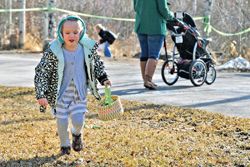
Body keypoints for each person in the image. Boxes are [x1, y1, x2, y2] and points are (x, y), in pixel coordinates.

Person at [34, 15, 111, 155]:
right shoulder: (54, 51)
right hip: (60, 94)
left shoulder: (87, 49)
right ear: (61, 33)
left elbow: (97, 65)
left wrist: (103, 78)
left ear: (81, 33)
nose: (71, 35)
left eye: (75, 32)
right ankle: (64, 145)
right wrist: (41, 93)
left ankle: (76, 134)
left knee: (78, 120)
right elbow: (42, 72)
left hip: (79, 92)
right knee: (62, 120)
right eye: (67, 32)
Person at [133, 0, 174, 90]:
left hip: (141, 25)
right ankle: (148, 80)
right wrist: (171, 16)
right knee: (153, 55)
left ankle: (145, 80)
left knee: (144, 54)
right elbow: (163, 9)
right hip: (156, 26)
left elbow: (135, 8)